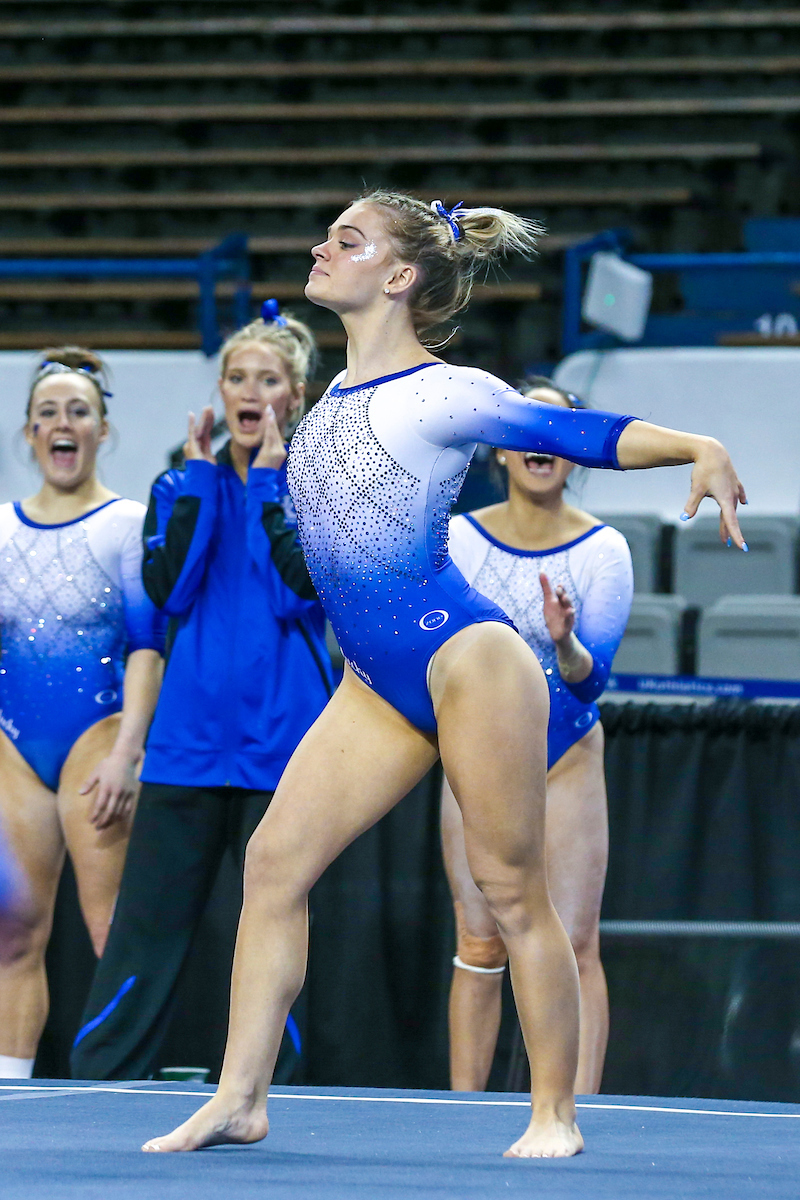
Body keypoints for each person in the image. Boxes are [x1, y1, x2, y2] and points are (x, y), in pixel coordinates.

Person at [142, 192, 746, 1159]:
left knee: (512, 894)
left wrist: (692, 446)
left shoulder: (441, 390)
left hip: (468, 659)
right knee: (273, 864)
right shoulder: (329, 402)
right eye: (326, 235)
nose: (321, 247)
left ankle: (554, 1112)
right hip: (374, 679)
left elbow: (572, 435)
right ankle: (241, 1097)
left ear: (399, 275)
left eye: (347, 238)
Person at [71, 305, 334, 1083]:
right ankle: (100, 1080)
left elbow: (301, 594)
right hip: (186, 749)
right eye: (237, 377)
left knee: (273, 925)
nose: (250, 390)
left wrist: (267, 487)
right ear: (219, 390)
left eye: (269, 378)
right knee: (145, 932)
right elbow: (169, 594)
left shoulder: (314, 487)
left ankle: (264, 1087)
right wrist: (198, 485)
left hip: (283, 752)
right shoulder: (179, 482)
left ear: (297, 393)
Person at [441, 377, 633, 1096]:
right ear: (501, 446)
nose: (540, 440)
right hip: (476, 756)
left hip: (567, 754)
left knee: (577, 940)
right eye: (528, 422)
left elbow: (591, 683)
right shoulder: (458, 536)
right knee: (479, 940)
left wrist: (566, 645)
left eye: (559, 425)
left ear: (572, 450)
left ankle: (576, 1111)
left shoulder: (604, 549)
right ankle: (464, 1109)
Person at [0, 347, 166, 1079]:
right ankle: (8, 1085)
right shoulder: (0, 528)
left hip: (97, 741)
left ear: (102, 430)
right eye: (47, 414)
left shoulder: (127, 524)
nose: (61, 425)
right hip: (13, 749)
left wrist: (129, 752)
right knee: (12, 935)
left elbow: (147, 644)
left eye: (77, 412)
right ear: (29, 434)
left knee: (112, 932)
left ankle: (122, 1087)